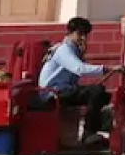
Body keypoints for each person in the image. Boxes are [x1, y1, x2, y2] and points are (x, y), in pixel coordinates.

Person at [37, 17, 117, 145]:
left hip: (61, 90)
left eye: (85, 34)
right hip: (52, 93)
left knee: (104, 96)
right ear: (70, 33)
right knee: (96, 91)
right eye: (80, 34)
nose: (83, 38)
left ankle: (102, 126)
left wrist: (82, 54)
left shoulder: (72, 50)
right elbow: (79, 69)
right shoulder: (64, 49)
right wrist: (108, 68)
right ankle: (89, 133)